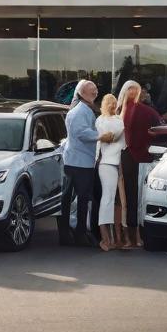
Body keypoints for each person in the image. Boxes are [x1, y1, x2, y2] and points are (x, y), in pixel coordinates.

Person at [59, 79, 114, 247]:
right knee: (79, 199)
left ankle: (75, 233)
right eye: (92, 90)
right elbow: (81, 133)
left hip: (80, 161)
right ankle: (77, 235)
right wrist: (100, 136)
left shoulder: (84, 109)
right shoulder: (79, 111)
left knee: (75, 199)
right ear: (82, 93)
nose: (95, 92)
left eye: (96, 89)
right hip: (78, 163)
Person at [118, 79, 162, 249]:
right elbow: (159, 131)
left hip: (126, 158)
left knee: (128, 198)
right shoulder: (146, 112)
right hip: (139, 158)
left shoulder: (118, 111)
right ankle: (136, 236)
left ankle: (129, 236)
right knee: (139, 197)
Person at [95, 93, 126, 251]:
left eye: (115, 104)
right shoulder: (114, 121)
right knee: (107, 200)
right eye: (111, 104)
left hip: (112, 164)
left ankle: (112, 238)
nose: (113, 106)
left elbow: (113, 139)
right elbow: (113, 138)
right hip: (108, 164)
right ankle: (106, 239)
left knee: (111, 201)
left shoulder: (104, 121)